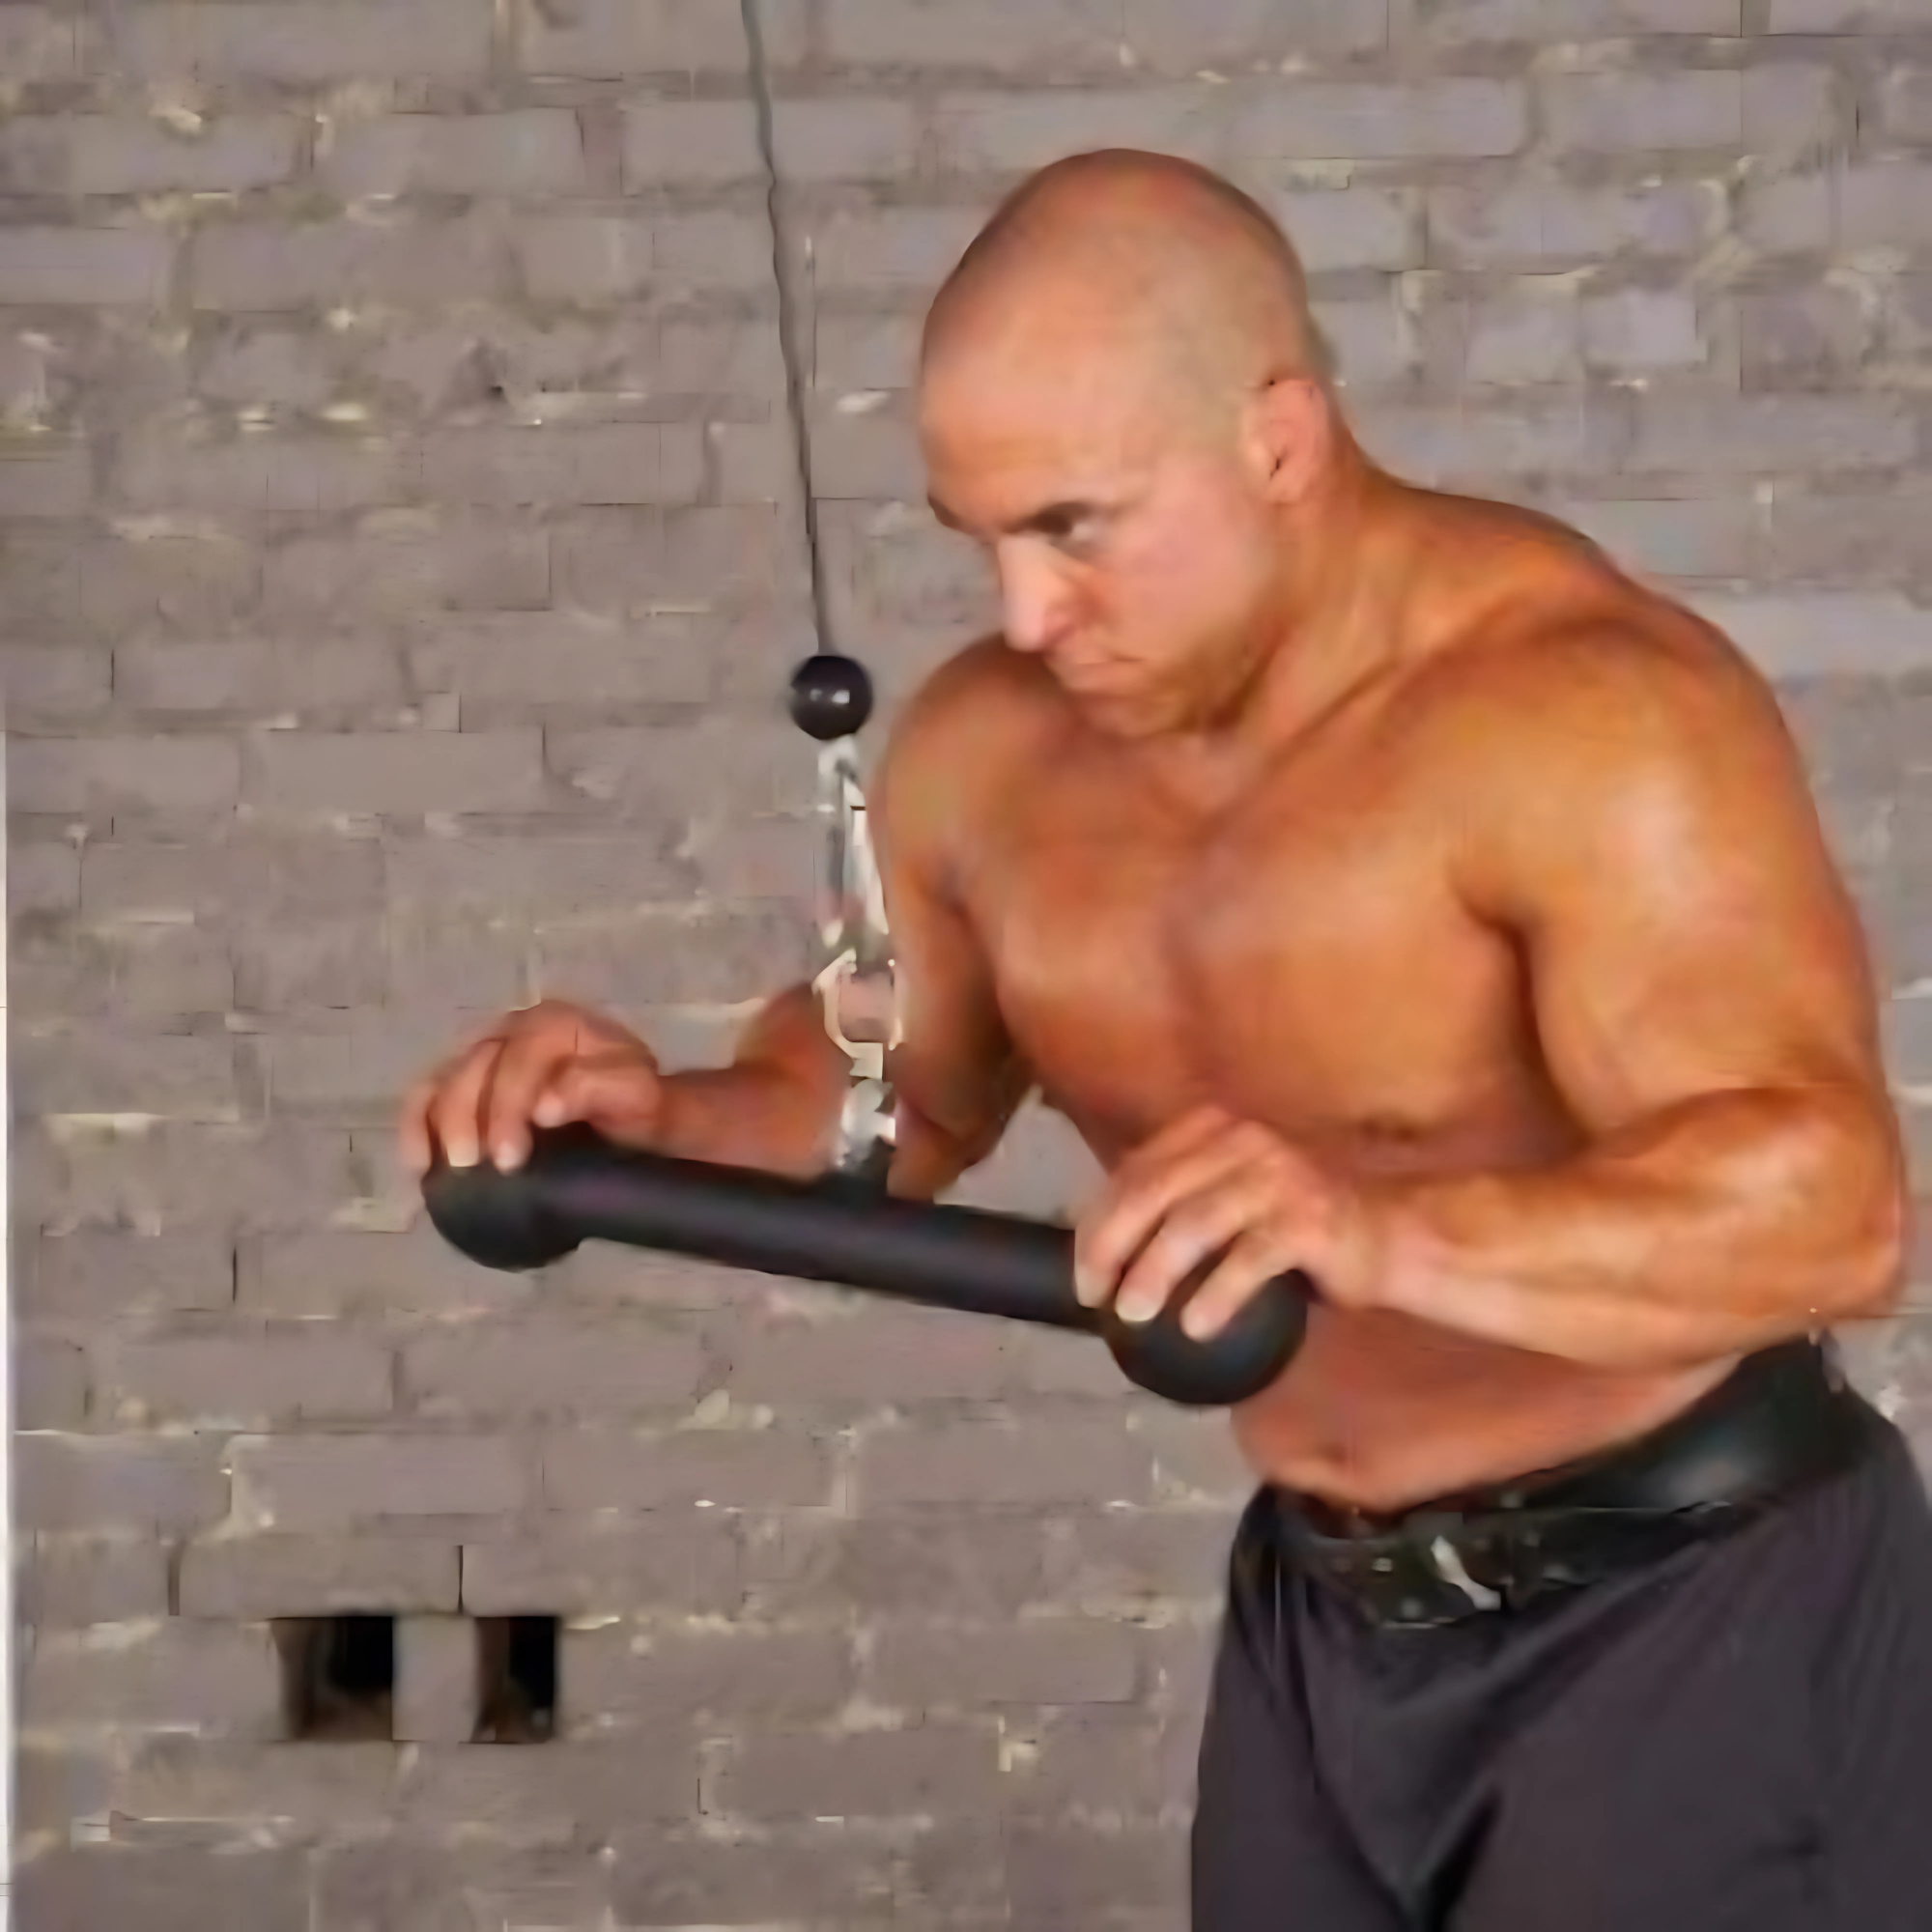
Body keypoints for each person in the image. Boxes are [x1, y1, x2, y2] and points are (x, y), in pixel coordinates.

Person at [399, 150, 1932, 1927]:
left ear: (1280, 440)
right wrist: (642, 1122)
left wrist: (1373, 1232)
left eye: (1075, 527)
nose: (1024, 616)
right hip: (1321, 1624)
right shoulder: (992, 753)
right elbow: (878, 1110)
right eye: (979, 540)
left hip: (1690, 1609)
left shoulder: (1584, 719)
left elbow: (1836, 1216)